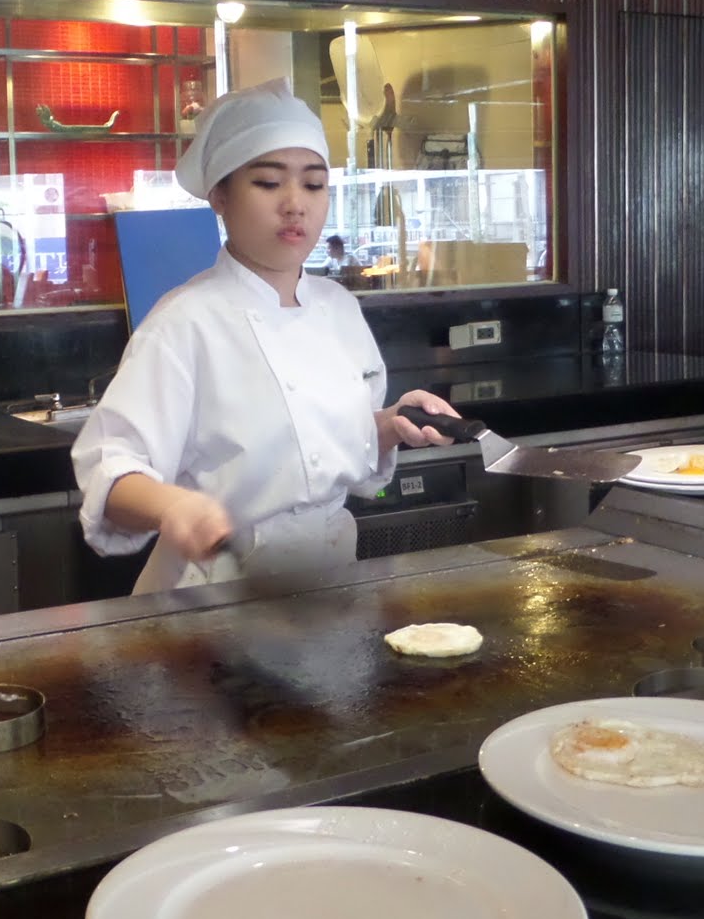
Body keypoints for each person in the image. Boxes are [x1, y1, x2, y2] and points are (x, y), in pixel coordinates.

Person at [71, 78, 462, 594]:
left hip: (324, 591)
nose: (295, 204)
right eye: (269, 183)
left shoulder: (338, 308)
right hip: (209, 603)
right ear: (219, 196)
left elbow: (314, 446)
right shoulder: (185, 321)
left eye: (314, 184)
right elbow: (111, 469)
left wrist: (389, 425)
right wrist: (175, 506)